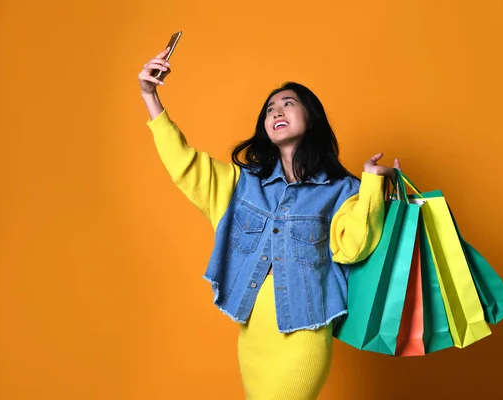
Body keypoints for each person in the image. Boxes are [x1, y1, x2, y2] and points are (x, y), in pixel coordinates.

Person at [138, 47, 401, 400]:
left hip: (304, 336)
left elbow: (354, 247)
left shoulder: (343, 190)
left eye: (288, 103)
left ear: (311, 116)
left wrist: (371, 186)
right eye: (270, 109)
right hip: (253, 337)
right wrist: (149, 96)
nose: (276, 110)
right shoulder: (241, 185)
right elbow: (183, 164)